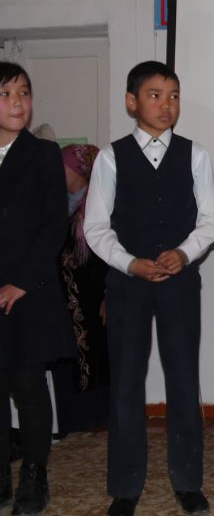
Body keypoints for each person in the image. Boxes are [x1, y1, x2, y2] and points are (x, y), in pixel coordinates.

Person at [83, 61, 214, 516]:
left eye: (174, 96)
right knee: (126, 383)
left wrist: (184, 253)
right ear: (132, 102)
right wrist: (129, 263)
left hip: (179, 283)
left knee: (183, 379)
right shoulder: (111, 157)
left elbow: (212, 219)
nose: (167, 105)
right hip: (128, 285)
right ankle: (125, 487)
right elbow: (95, 227)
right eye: (155, 95)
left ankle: (188, 482)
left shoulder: (196, 154)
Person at [0, 62, 74, 515]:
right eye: (6, 94)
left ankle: (34, 476)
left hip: (29, 288)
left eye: (24, 93)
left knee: (27, 383)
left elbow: (53, 225)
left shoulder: (44, 154)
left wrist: (20, 282)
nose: (17, 103)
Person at [51, 143, 111, 436]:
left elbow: (112, 254)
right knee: (65, 357)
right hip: (61, 298)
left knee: (96, 355)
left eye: (62, 167)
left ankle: (96, 420)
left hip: (94, 298)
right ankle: (69, 422)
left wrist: (110, 295)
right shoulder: (55, 205)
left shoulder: (99, 205)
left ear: (78, 170)